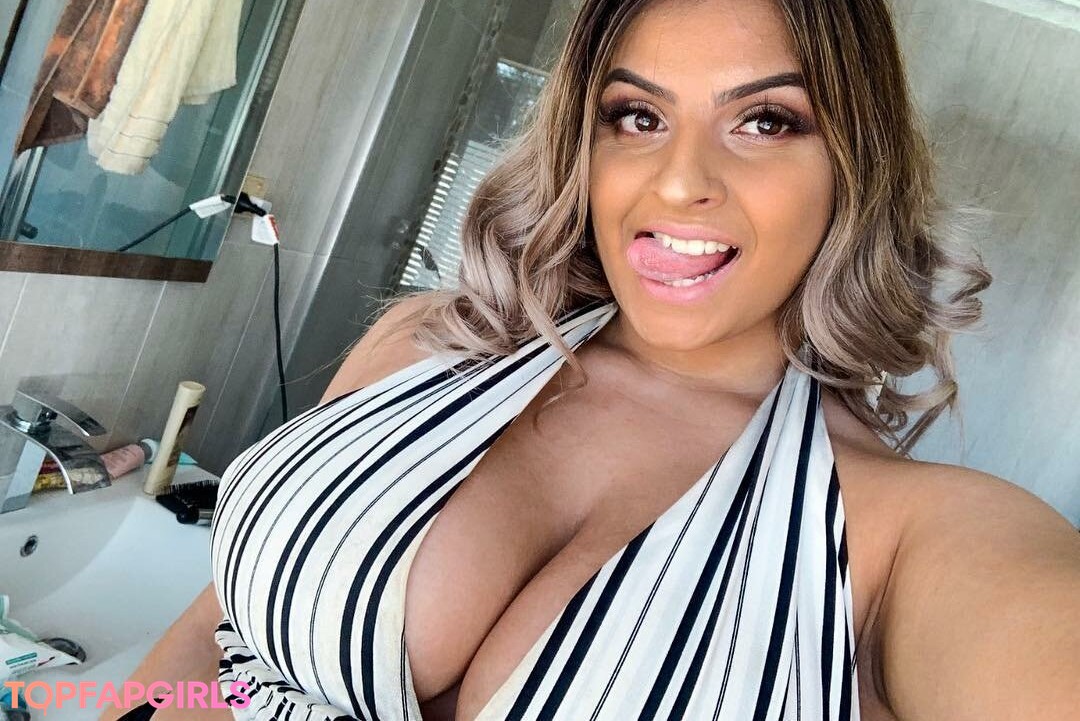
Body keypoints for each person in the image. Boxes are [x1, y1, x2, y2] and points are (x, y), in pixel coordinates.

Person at [100, 0, 1080, 719]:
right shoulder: (424, 343)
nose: (680, 181)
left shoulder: (911, 539)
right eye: (638, 117)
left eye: (765, 120)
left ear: (853, 167)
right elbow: (223, 633)